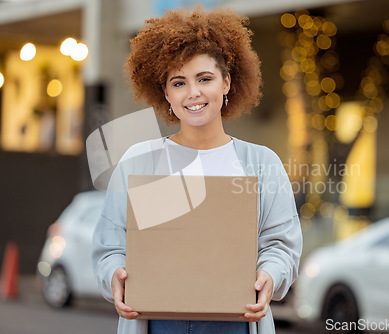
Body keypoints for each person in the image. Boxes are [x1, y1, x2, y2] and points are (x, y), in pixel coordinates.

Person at [92, 8, 302, 334]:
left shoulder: (262, 164)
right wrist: (115, 275)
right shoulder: (139, 161)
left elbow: (281, 245)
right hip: (156, 323)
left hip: (236, 322)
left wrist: (270, 275)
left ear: (227, 82)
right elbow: (110, 246)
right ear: (165, 93)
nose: (193, 93)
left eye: (205, 78)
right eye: (179, 82)